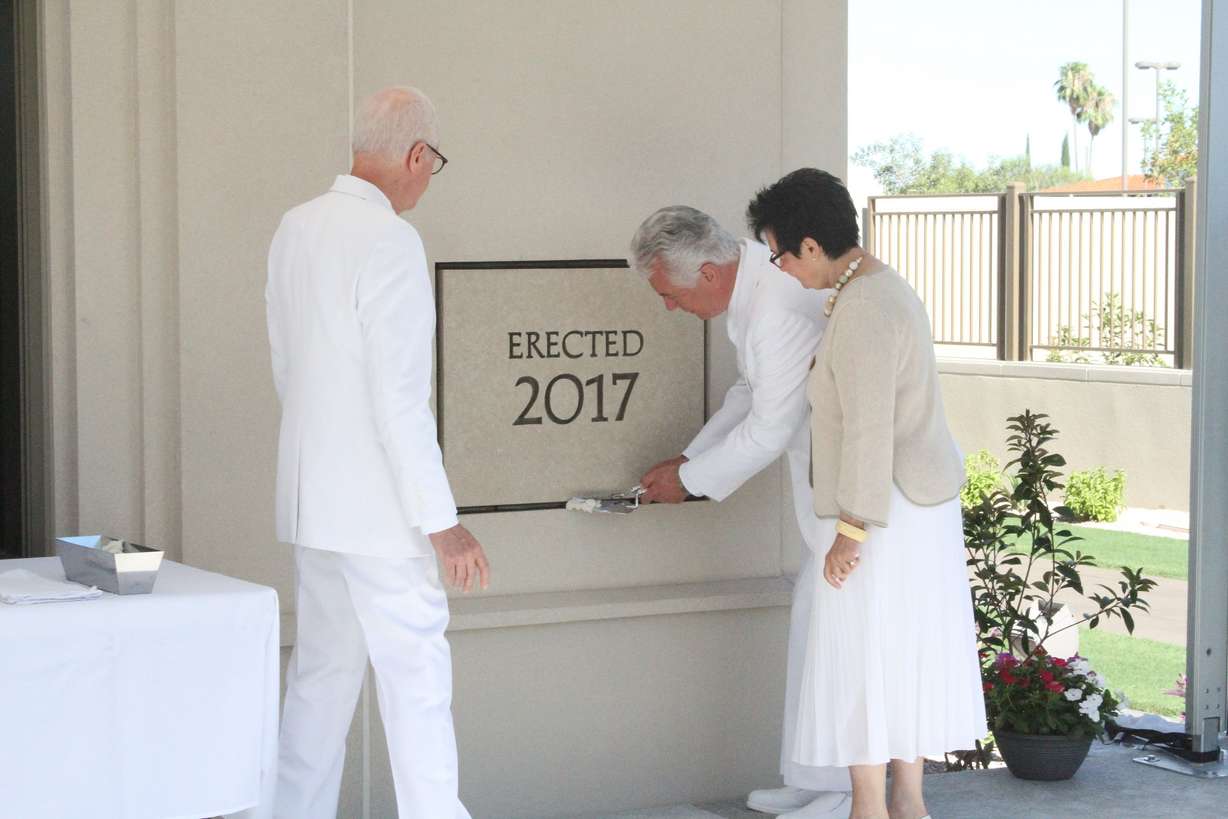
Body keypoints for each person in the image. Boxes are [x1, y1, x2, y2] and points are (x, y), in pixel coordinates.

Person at [265, 86, 489, 819]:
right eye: (435, 163)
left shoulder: (294, 227)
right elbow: (401, 400)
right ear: (417, 154)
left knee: (318, 684)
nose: (429, 179)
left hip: (314, 503)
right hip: (382, 515)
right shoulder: (391, 241)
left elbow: (287, 370)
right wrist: (442, 520)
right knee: (416, 687)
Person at [746, 168, 986, 819]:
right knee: (899, 657)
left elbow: (869, 428)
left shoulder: (862, 308)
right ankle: (904, 804)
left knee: (861, 661)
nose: (782, 269)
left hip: (880, 515)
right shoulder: (882, 289)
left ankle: (871, 808)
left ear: (812, 246)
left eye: (781, 255)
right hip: (912, 510)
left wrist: (849, 533)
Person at [630, 206, 853, 816]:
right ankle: (815, 776)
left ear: (705, 272)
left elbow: (769, 429)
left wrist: (691, 482)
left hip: (856, 496)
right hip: (827, 494)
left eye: (669, 295)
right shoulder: (752, 293)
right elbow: (750, 392)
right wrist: (689, 456)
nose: (669, 308)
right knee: (815, 630)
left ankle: (843, 792)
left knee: (842, 641)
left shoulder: (775, 305)